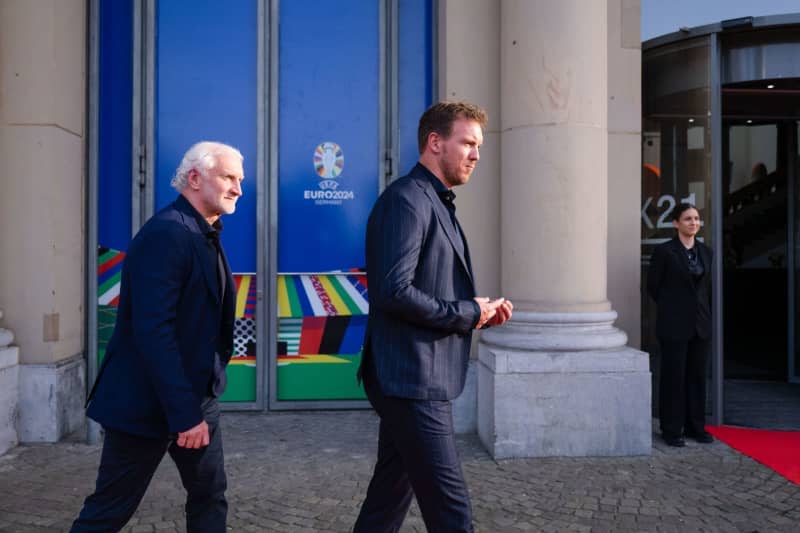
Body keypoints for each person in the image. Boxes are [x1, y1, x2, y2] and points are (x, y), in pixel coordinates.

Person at [353, 101, 513, 532]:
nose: (477, 154)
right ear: (435, 142)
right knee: (451, 513)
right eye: (468, 143)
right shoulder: (407, 200)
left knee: (387, 501)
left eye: (479, 145)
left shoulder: (435, 201)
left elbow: (424, 286)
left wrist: (479, 312)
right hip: (410, 379)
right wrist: (465, 312)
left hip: (416, 375)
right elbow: (393, 291)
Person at [71, 141, 244, 532]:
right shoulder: (167, 234)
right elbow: (153, 332)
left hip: (196, 399)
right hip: (146, 404)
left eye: (240, 180)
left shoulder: (204, 231)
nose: (238, 189)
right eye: (229, 177)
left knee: (210, 496)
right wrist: (185, 416)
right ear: (195, 178)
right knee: (109, 510)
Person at [647, 203, 714, 447]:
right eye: (687, 219)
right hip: (674, 324)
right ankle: (672, 429)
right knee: (674, 378)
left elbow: (705, 290)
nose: (693, 223)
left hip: (700, 325)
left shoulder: (706, 252)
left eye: (696, 218)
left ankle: (696, 427)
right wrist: (673, 308)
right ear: (676, 223)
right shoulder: (665, 252)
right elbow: (654, 286)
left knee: (696, 377)